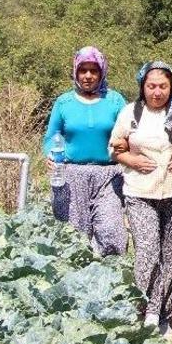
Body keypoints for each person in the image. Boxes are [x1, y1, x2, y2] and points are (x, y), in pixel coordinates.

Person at [110, 61, 172, 336]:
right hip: (140, 191)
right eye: (151, 86)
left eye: (163, 86)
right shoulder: (130, 113)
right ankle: (146, 309)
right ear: (142, 86)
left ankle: (162, 313)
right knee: (147, 251)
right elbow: (115, 148)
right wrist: (131, 158)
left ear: (171, 87)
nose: (157, 92)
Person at [42, 46, 127, 255]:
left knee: (112, 230)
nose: (88, 76)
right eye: (83, 70)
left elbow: (128, 132)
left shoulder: (115, 101)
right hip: (71, 174)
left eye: (94, 70)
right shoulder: (64, 102)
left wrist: (124, 145)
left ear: (102, 72)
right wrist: (51, 155)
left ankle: (111, 280)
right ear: (75, 72)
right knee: (73, 234)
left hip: (109, 175)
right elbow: (51, 136)